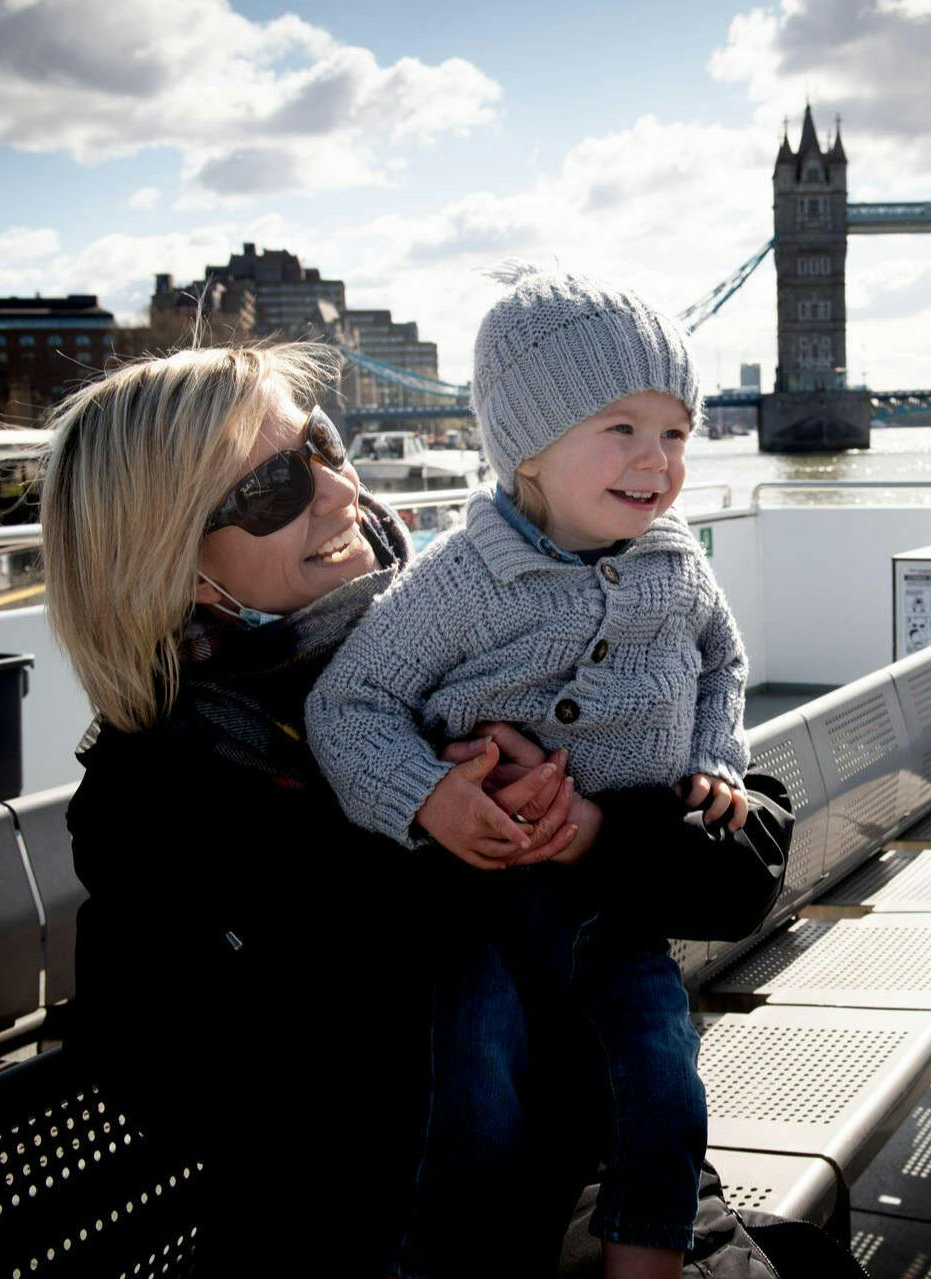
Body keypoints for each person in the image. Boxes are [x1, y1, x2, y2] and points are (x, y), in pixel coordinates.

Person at [37, 342, 784, 1276]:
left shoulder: (501, 604)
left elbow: (746, 866)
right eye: (272, 487)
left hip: (616, 1188)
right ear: (174, 562)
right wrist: (435, 834)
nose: (339, 493)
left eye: (321, 445)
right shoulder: (158, 793)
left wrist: (586, 831)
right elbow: (177, 1073)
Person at [306, 264, 746, 1279]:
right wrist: (427, 794)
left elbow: (726, 662)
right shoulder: (460, 581)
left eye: (675, 432)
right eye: (620, 428)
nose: (656, 460)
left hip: (618, 897)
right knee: (479, 1104)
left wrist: (720, 755)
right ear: (529, 448)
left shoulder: (678, 565)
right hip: (484, 904)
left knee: (667, 1090)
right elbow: (351, 702)